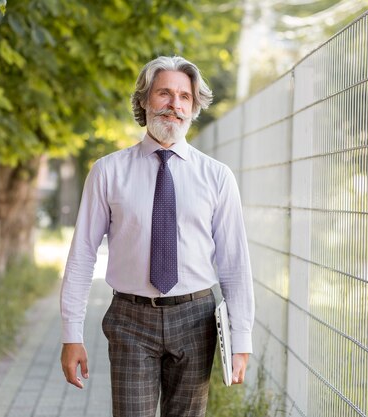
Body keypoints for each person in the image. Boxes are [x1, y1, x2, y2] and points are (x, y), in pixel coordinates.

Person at [60, 55, 254, 417]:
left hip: (196, 319)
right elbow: (82, 255)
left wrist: (241, 339)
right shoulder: (108, 172)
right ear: (145, 100)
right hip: (131, 319)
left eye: (184, 97)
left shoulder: (217, 177)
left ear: (194, 107)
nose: (174, 105)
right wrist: (72, 335)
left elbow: (234, 262)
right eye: (164, 93)